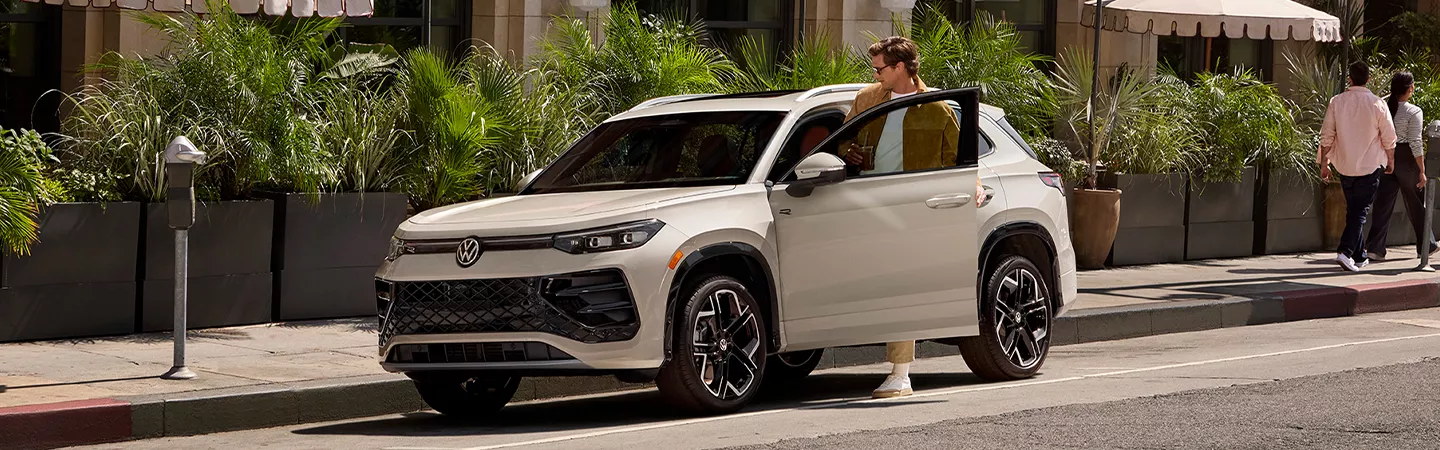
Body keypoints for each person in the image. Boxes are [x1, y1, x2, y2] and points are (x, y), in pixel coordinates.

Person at [839, 36, 959, 399]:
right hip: (868, 203)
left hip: (912, 208)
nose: (875, 75)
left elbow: (959, 158)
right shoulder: (866, 99)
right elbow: (841, 140)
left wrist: (976, 186)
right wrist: (851, 153)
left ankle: (900, 373)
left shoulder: (935, 108)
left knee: (899, 287)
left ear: (901, 68)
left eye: (880, 69)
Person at [1319, 61, 1399, 272]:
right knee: (1359, 212)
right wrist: (1391, 160)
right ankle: (1345, 251)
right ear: (1369, 80)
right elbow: (1389, 137)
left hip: (1345, 165)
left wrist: (1324, 163)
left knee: (1354, 211)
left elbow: (1327, 135)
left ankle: (1359, 254)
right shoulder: (1377, 104)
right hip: (1370, 164)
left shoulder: (1337, 102)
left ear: (1350, 79)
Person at [1366, 71, 1438, 260]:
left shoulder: (1382, 106)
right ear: (1410, 88)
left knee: (1383, 204)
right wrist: (1421, 170)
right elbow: (1415, 141)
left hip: (1384, 155)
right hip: (1406, 158)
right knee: (1415, 202)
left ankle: (1375, 248)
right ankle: (1426, 245)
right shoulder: (1414, 111)